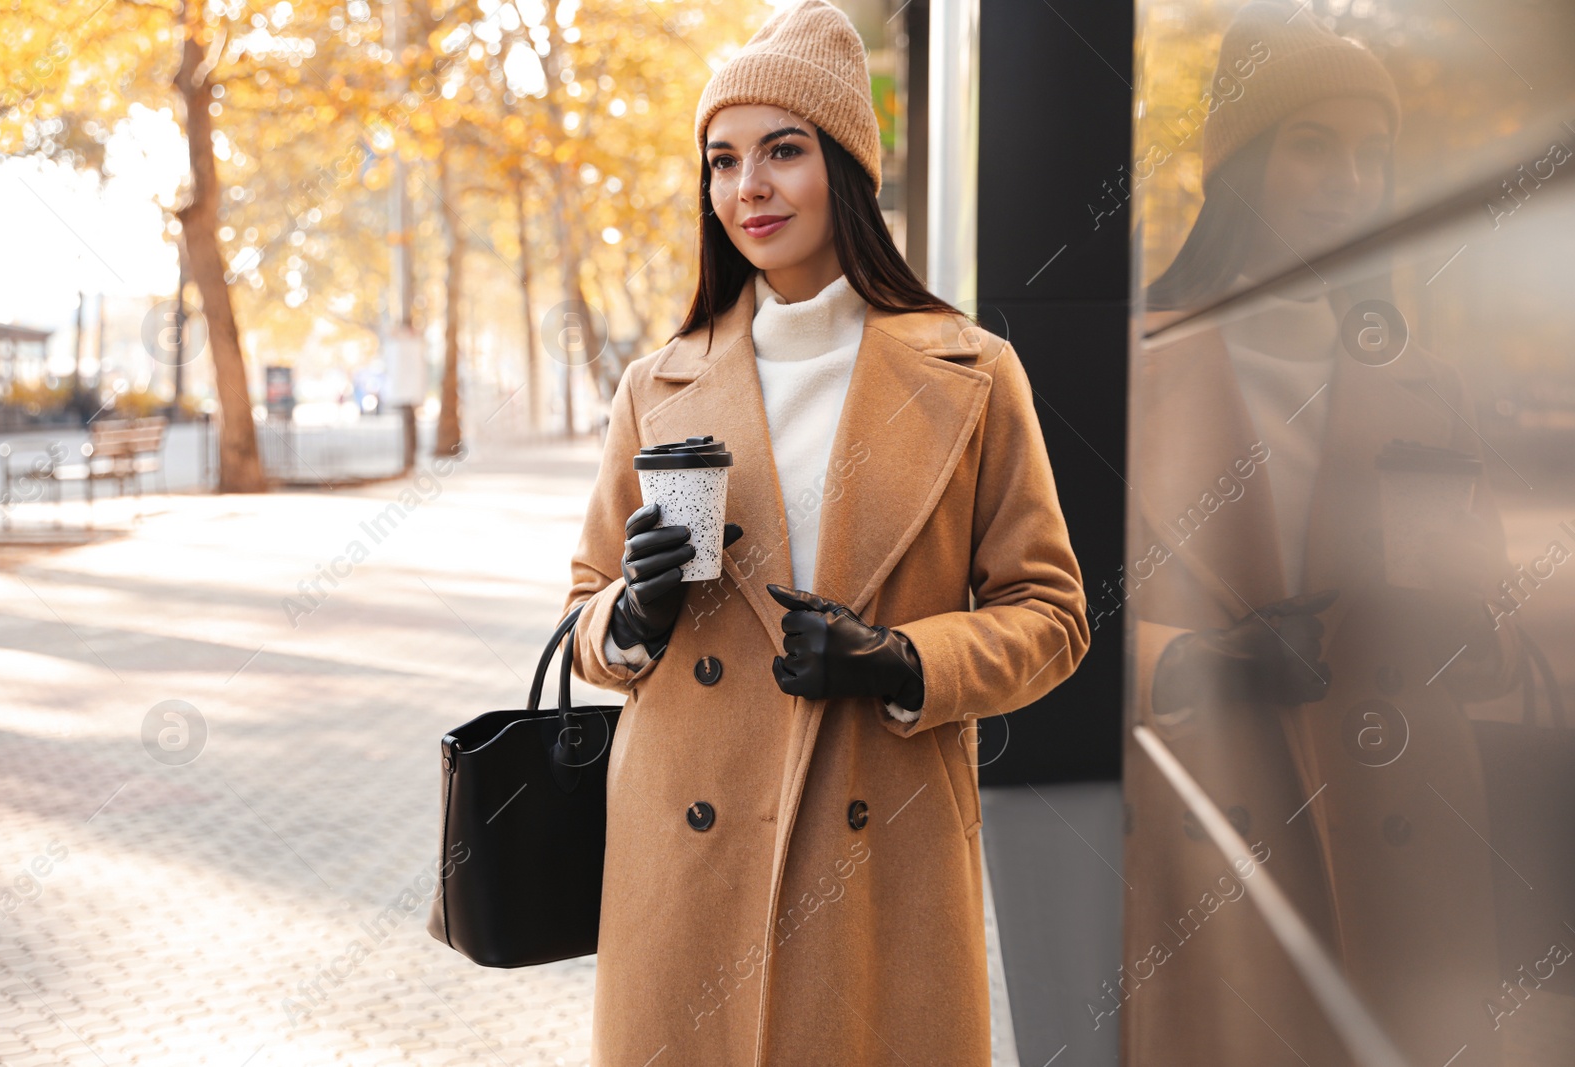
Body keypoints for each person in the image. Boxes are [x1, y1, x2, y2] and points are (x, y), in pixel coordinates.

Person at [560, 2, 1090, 1063]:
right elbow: (582, 615)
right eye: (721, 160)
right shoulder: (656, 383)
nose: (746, 186)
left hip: (877, 857)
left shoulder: (972, 374)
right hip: (683, 867)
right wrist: (636, 610)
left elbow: (1053, 615)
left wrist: (901, 660)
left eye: (782, 151)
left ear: (845, 166)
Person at [1123, 5, 1522, 1065]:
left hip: (1411, 851)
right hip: (1217, 841)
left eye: (1373, 153)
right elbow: (1041, 613)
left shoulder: (1426, 384)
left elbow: (1493, 644)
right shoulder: (1124, 374)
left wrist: (1464, 622)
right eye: (1313, 146)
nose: (1350, 179)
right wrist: (1197, 660)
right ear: (1240, 163)